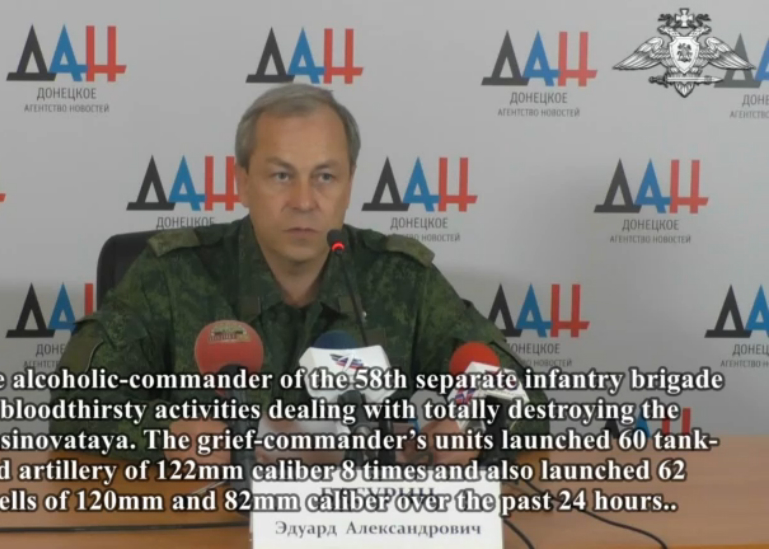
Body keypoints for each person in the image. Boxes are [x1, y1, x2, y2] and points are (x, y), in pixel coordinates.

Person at [50, 83, 549, 467]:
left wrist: (471, 427)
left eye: (325, 177)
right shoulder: (172, 274)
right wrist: (168, 434)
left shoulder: (401, 279)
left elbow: (526, 399)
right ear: (242, 182)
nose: (305, 201)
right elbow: (75, 403)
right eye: (281, 175)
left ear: (350, 184)